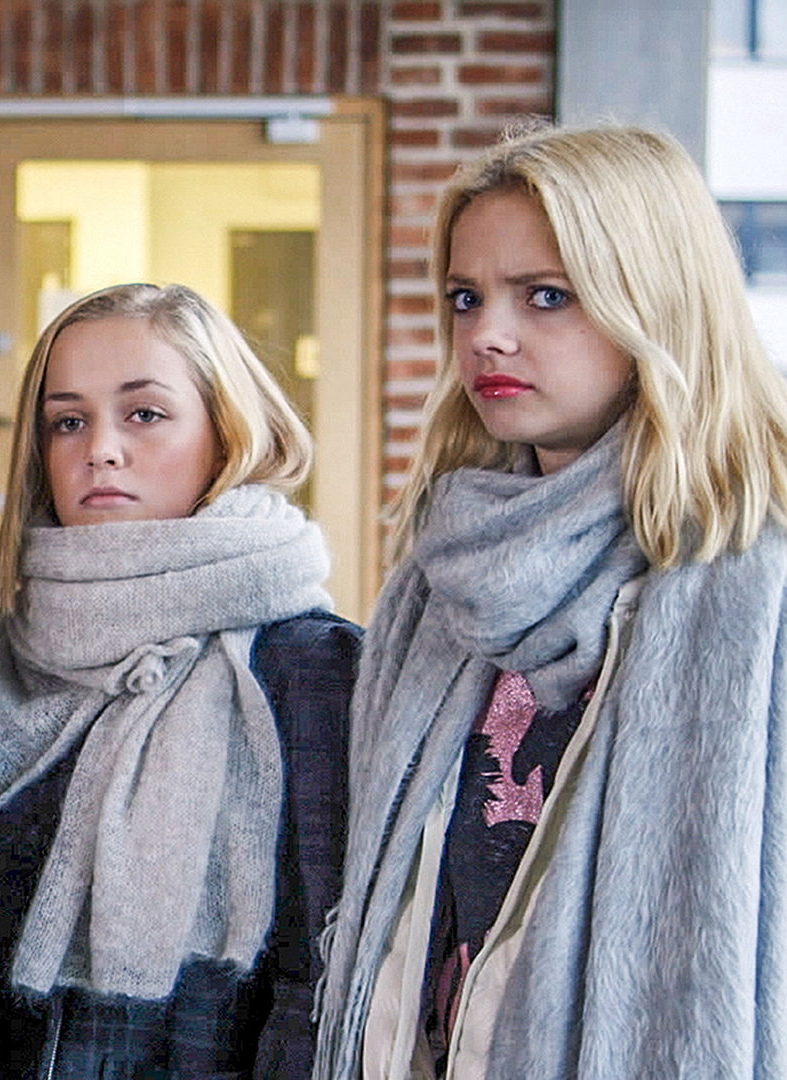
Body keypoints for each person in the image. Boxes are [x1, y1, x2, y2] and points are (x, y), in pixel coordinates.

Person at [314, 123, 787, 1079]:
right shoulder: (440, 580)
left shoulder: (756, 589)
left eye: (546, 295)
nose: (487, 334)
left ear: (654, 299)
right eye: (466, 297)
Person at [0, 282, 359, 1078]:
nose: (101, 449)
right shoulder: (8, 659)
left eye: (144, 414)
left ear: (226, 433)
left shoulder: (310, 669)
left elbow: (321, 985)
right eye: (68, 421)